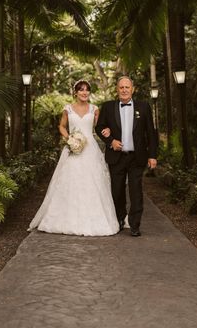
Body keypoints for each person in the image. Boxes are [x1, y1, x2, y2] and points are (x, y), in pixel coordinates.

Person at [29, 80, 119, 236]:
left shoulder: (95, 109)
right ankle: (64, 219)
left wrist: (108, 129)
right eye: (81, 90)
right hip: (73, 148)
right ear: (75, 92)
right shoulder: (68, 109)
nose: (84, 93)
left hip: (90, 149)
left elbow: (100, 127)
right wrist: (70, 138)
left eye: (87, 90)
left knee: (93, 182)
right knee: (70, 181)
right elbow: (61, 126)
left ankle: (96, 220)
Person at [95, 76, 158, 237]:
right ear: (117, 89)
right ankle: (120, 218)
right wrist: (110, 141)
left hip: (137, 157)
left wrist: (152, 155)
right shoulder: (108, 107)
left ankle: (135, 224)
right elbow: (99, 127)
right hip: (116, 157)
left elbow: (151, 132)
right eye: (121, 87)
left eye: (127, 87)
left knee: (136, 190)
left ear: (133, 89)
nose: (124, 90)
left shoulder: (143, 107)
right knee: (117, 191)